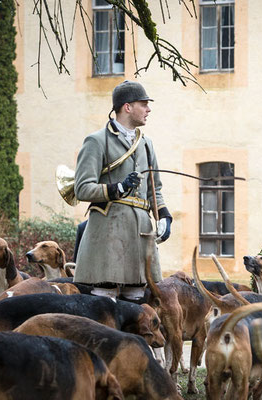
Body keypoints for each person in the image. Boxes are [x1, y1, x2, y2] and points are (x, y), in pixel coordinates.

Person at [73, 80, 172, 299]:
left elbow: (154, 189)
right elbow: (82, 188)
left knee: (137, 300)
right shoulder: (96, 141)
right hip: (109, 231)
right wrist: (117, 187)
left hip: (140, 232)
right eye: (143, 103)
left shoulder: (146, 144)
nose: (148, 109)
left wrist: (164, 216)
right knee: (105, 299)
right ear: (127, 107)